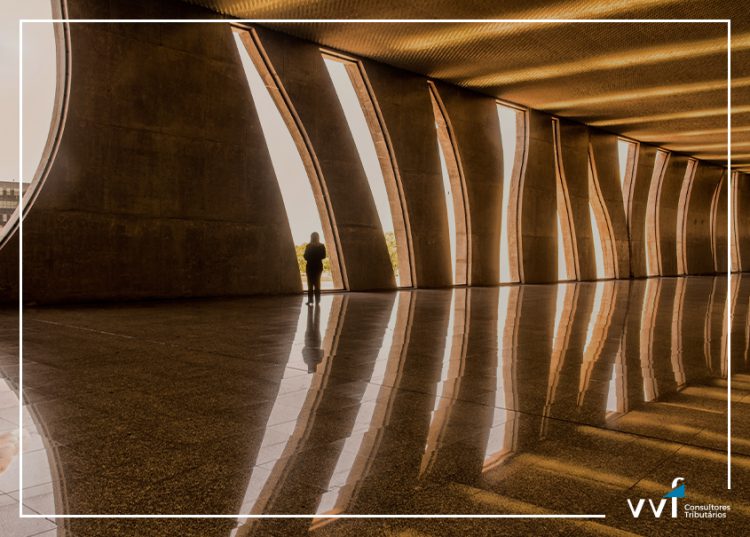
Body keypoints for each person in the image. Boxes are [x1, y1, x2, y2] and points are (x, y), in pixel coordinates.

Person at [303, 232, 326, 306]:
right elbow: (323, 256)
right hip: (318, 266)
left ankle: (310, 300)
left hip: (310, 266)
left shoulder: (308, 246)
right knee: (317, 283)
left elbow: (305, 256)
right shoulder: (322, 246)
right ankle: (317, 300)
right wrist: (317, 257)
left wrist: (311, 257)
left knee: (310, 284)